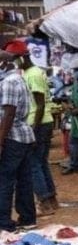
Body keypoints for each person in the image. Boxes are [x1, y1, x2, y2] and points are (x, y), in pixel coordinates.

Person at [6, 40, 59, 216]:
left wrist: (34, 128)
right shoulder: (29, 72)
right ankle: (51, 199)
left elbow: (40, 104)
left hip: (39, 122)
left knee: (34, 164)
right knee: (41, 162)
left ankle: (44, 201)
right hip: (41, 121)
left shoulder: (33, 74)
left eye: (13, 59)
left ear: (22, 57)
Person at [0, 48, 36, 232]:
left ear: (5, 64)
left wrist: (0, 140)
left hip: (13, 136)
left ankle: (4, 222)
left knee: (5, 179)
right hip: (23, 136)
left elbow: (9, 113)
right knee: (24, 179)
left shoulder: (8, 82)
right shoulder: (19, 79)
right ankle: (28, 218)